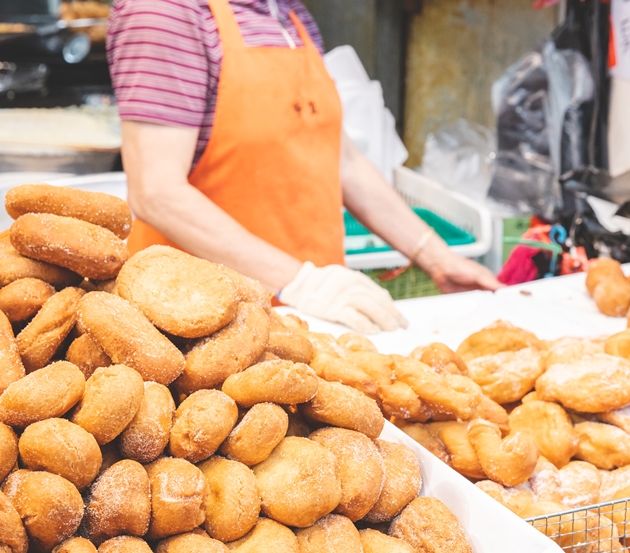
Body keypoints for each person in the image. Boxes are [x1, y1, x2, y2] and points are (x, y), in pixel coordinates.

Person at [107, 0, 502, 334]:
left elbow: (343, 161)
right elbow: (156, 191)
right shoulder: (162, 12)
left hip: (311, 317)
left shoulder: (288, 13)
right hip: (204, 328)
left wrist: (436, 256)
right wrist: (305, 283)